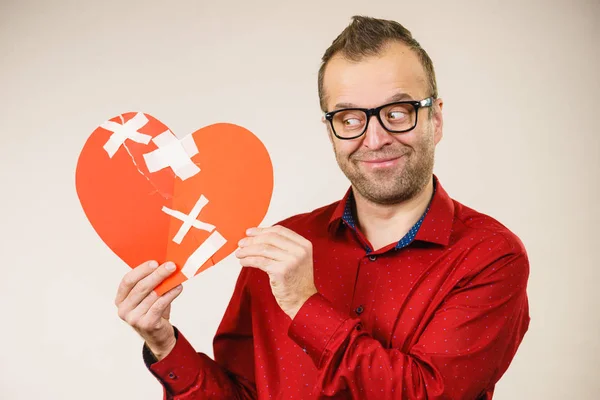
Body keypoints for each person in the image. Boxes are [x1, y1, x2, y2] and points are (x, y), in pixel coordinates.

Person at [115, 15, 530, 400]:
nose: (375, 138)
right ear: (330, 130)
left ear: (435, 119)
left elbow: (426, 393)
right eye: (350, 118)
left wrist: (304, 305)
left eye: (397, 112)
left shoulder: (490, 256)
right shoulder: (281, 248)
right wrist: (163, 343)